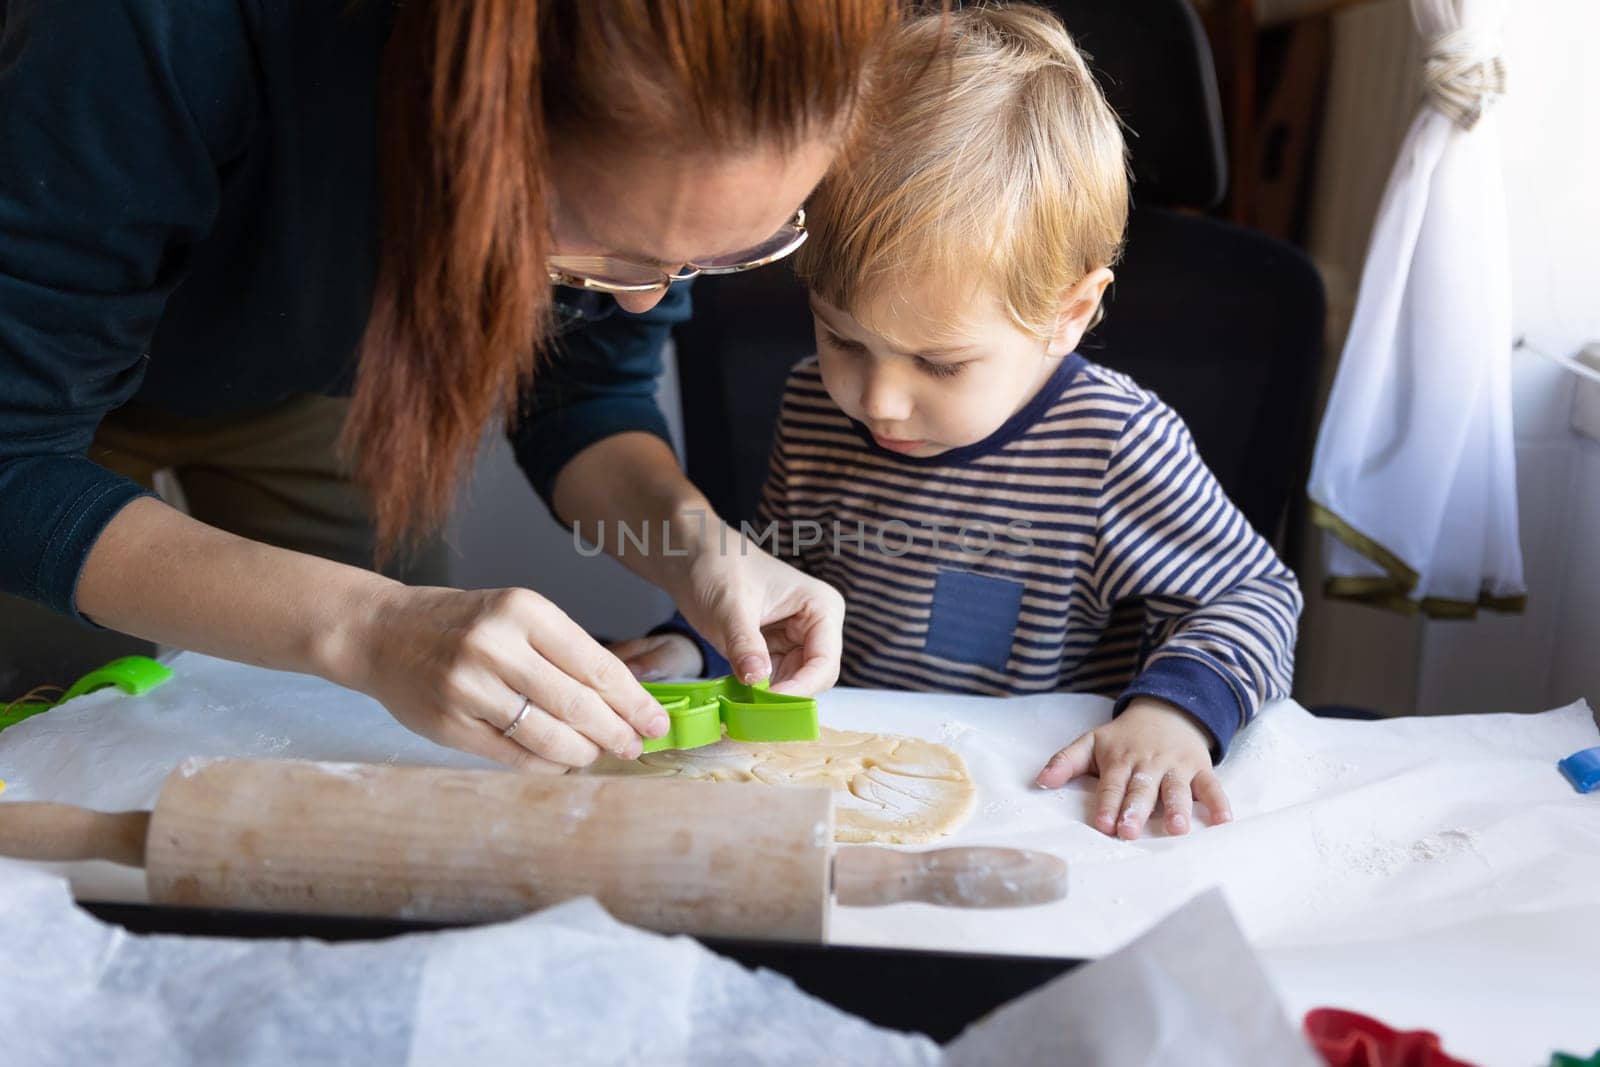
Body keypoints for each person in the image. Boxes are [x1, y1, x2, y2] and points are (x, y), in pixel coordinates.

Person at [0, 0, 901, 770]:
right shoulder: (152, 28)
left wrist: (701, 547)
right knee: (48, 734)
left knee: (369, 746)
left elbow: (583, 392)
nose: (644, 301)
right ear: (476, 114)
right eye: (609, 252)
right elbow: (14, 458)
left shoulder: (657, 144)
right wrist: (369, 626)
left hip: (310, 384)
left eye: (712, 259)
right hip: (29, 390)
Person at [613, 4, 1304, 838]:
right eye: (842, 337)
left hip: (1039, 807)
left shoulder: (1115, 444)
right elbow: (778, 582)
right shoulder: (812, 407)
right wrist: (704, 643)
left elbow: (1254, 597)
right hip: (858, 791)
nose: (877, 399)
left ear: (1069, 313)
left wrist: (1174, 714)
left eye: (939, 363)